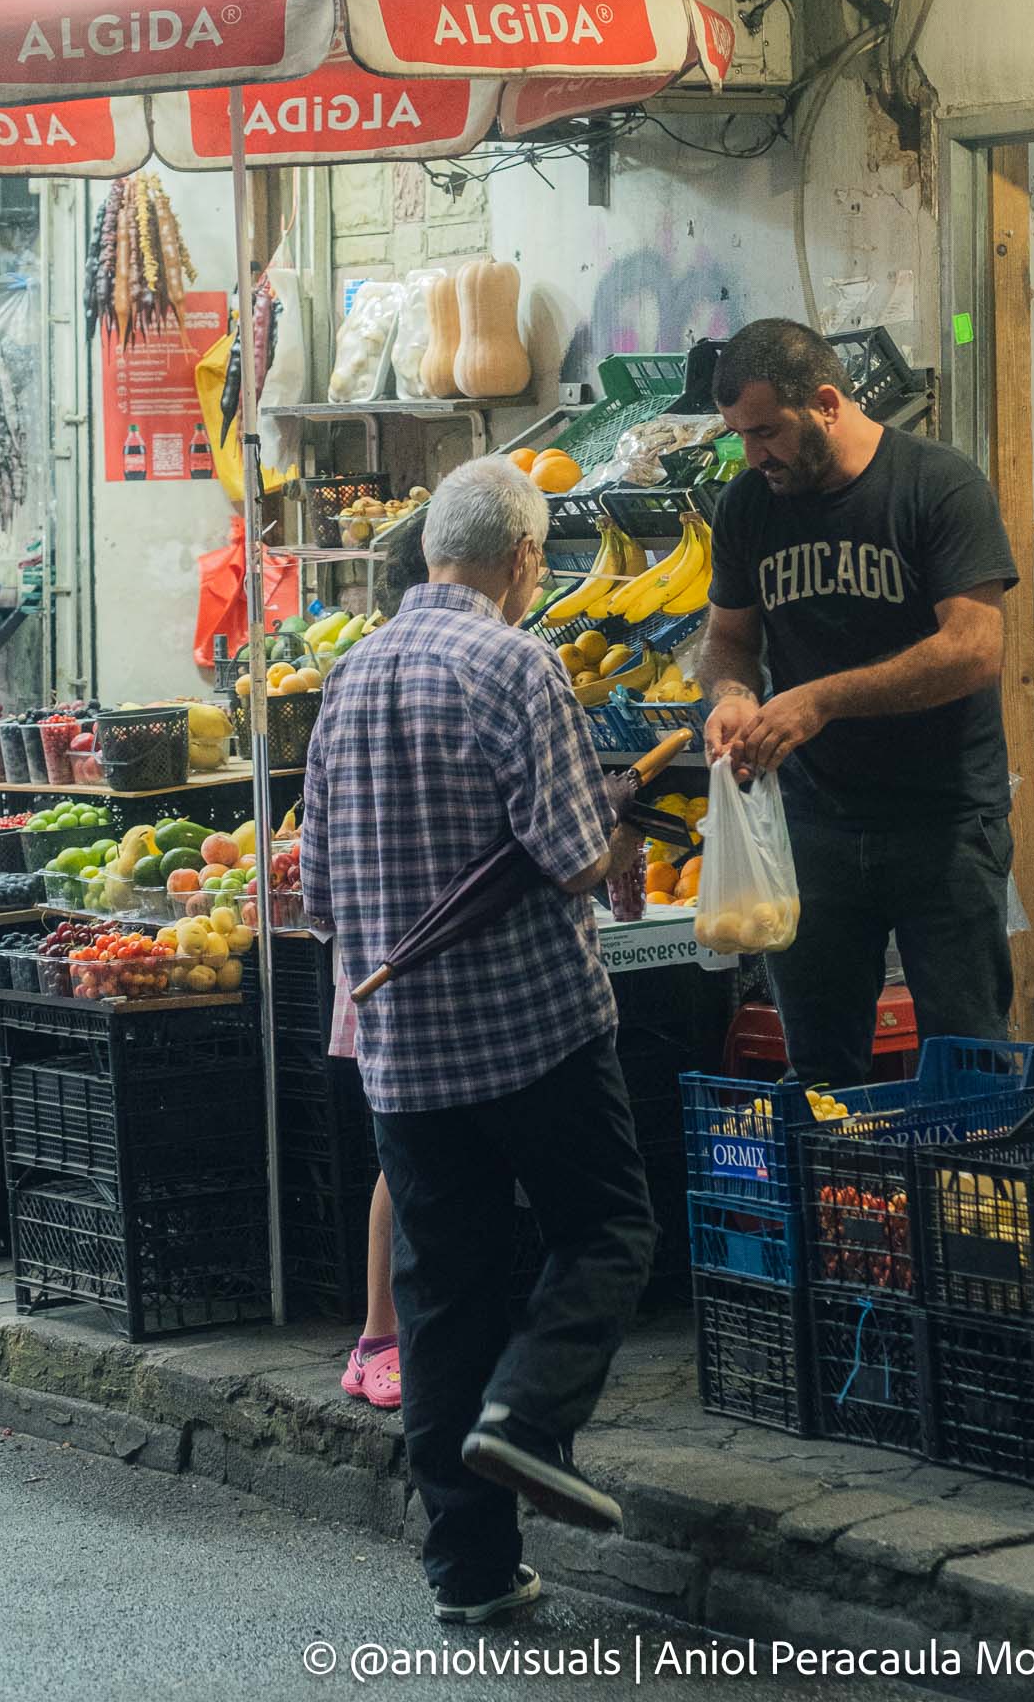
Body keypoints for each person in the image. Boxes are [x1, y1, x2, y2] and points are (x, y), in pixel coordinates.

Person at [301, 456, 656, 1625]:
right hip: (531, 1029)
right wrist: (616, 818)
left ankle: (471, 1569)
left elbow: (319, 896)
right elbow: (571, 858)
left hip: (402, 1050)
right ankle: (530, 1414)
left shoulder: (347, 677)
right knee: (605, 1224)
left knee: (445, 1292)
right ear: (518, 559)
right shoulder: (517, 662)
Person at [700, 317, 1018, 1089]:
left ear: (828, 402)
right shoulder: (748, 506)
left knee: (968, 1059)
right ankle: (842, 1208)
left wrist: (822, 701)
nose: (754, 455)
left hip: (943, 823)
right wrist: (735, 698)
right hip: (813, 828)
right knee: (819, 1070)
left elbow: (974, 647)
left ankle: (970, 1205)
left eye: (768, 431)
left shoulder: (938, 486)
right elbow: (730, 641)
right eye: (740, 436)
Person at [333, 512, 430, 1415]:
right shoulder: (376, 674)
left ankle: (401, 1330)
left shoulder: (368, 667)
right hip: (390, 958)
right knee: (401, 1154)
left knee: (413, 1150)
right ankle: (378, 1334)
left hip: (378, 950)